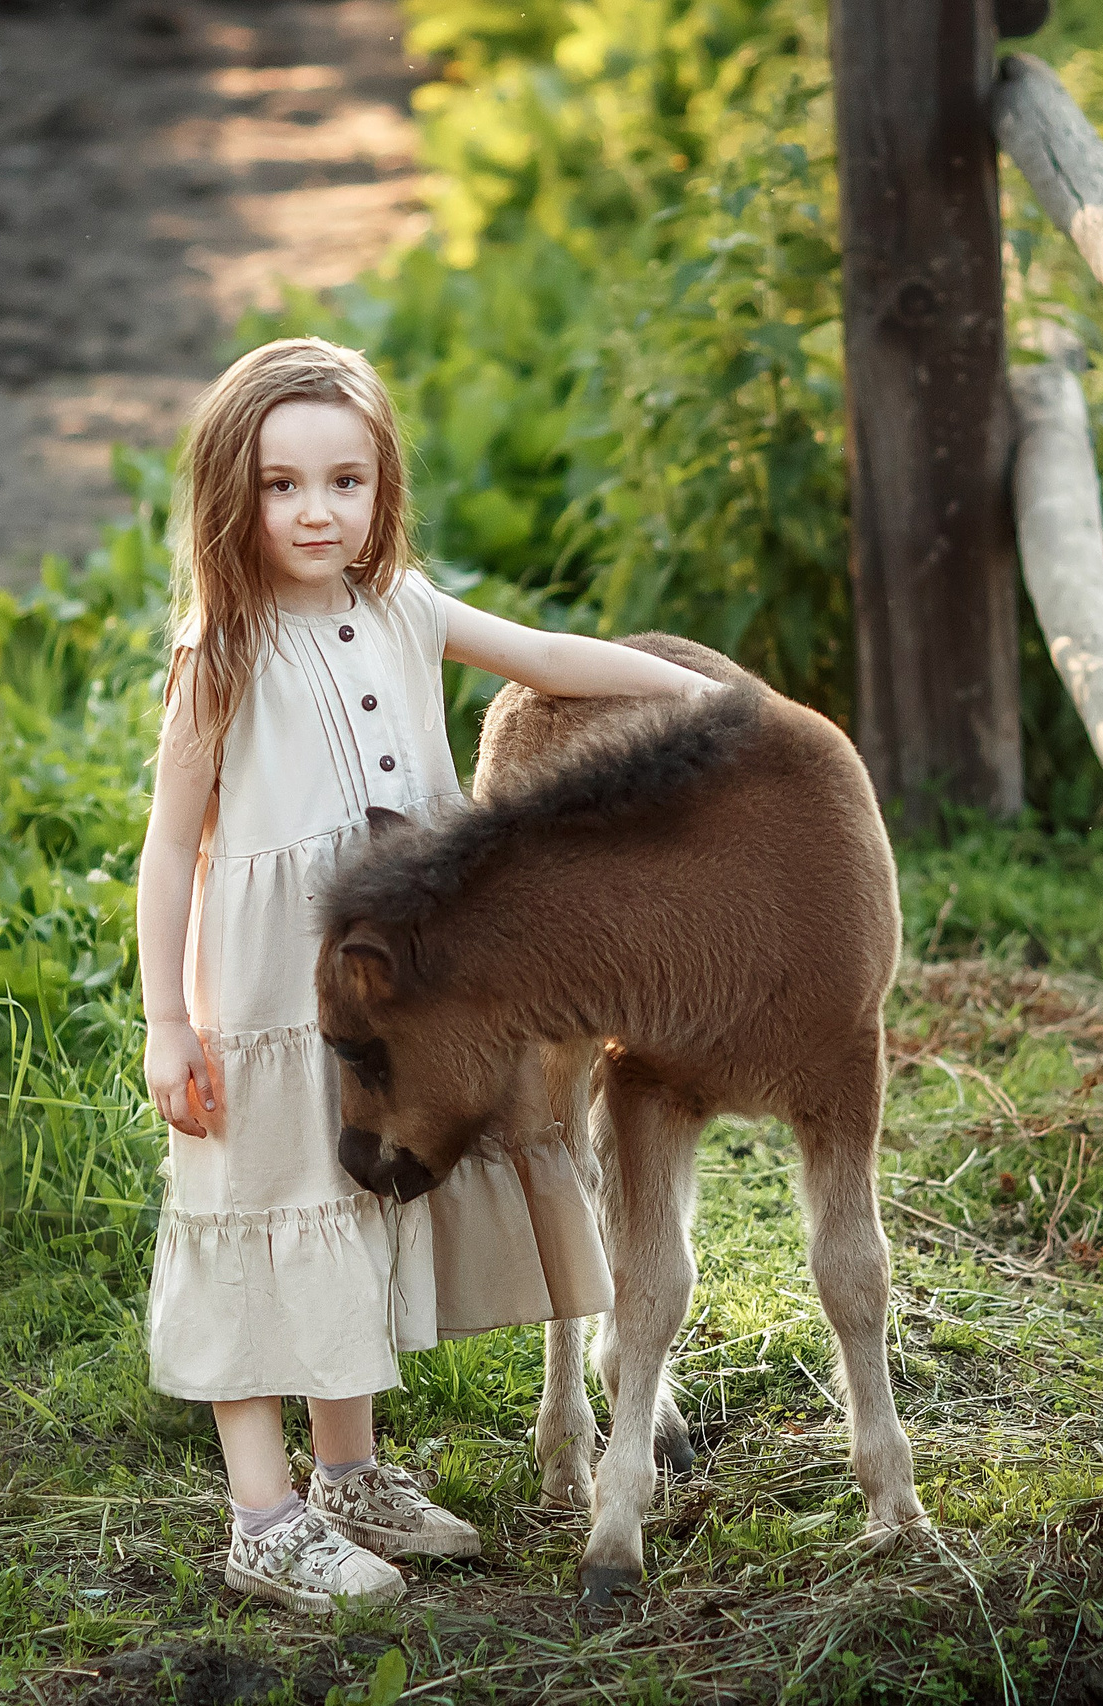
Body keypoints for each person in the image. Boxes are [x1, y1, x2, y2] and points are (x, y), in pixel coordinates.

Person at [136, 337, 720, 1614]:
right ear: (233, 496)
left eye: (344, 479)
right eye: (282, 485)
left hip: (391, 997)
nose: (315, 510)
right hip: (264, 1003)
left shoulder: (402, 609)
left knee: (350, 1209)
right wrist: (169, 1019)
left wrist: (699, 694)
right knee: (258, 1218)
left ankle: (348, 1474)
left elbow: (550, 658)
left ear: (380, 486)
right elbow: (170, 846)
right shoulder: (219, 651)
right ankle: (263, 1514)